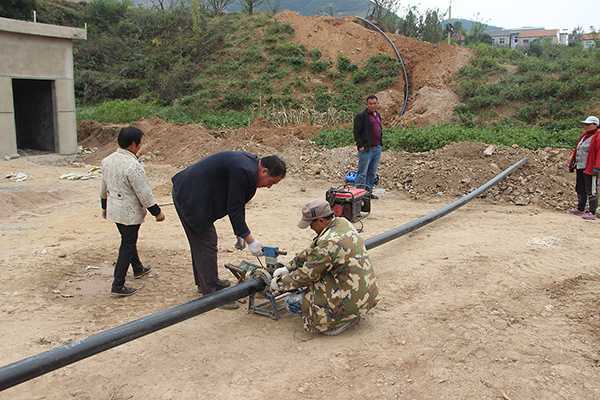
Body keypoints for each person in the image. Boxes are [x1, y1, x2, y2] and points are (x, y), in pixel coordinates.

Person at [172, 151, 286, 309]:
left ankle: (206, 282)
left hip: (198, 194)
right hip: (189, 196)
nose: (268, 186)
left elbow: (236, 202)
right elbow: (235, 208)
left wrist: (240, 232)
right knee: (206, 242)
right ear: (264, 171)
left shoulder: (249, 168)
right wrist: (250, 240)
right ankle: (212, 294)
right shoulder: (244, 171)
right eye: (271, 182)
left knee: (202, 242)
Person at [270, 199, 380, 335]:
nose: (310, 227)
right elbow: (312, 251)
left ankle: (337, 321)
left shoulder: (328, 242)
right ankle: (349, 313)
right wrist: (289, 267)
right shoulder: (342, 223)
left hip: (351, 301)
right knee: (315, 281)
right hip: (367, 296)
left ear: (321, 220)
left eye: (311, 223)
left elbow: (306, 276)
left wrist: (279, 283)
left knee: (292, 302)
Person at [100, 127, 165, 297]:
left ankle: (137, 268)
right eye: (140, 143)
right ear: (134, 144)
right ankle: (118, 284)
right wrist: (157, 212)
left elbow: (103, 187)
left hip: (114, 209)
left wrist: (104, 206)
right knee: (127, 245)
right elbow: (144, 192)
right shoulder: (133, 165)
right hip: (129, 212)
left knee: (128, 240)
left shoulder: (107, 160)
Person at [568, 116, 600, 220]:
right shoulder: (584, 136)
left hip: (590, 167)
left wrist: (597, 167)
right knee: (580, 187)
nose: (585, 126)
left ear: (595, 125)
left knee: (591, 189)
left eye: (588, 124)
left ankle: (592, 211)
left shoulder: (598, 135)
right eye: (585, 124)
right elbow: (577, 149)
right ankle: (580, 208)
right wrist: (572, 163)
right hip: (580, 166)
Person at [353, 95, 383, 198]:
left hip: (377, 147)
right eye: (370, 103)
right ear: (367, 104)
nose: (372, 105)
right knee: (362, 173)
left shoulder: (377, 115)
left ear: (377, 104)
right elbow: (356, 132)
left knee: (372, 172)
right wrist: (360, 145)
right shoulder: (361, 116)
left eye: (374, 103)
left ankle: (368, 193)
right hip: (366, 148)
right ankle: (359, 194)